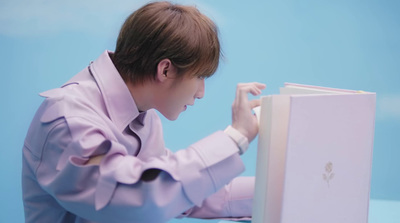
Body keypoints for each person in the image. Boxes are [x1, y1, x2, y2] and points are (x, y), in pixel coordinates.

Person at [21, 1, 266, 222]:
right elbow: (142, 199)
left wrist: (279, 192)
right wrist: (235, 139)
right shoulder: (67, 120)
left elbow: (182, 190)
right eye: (199, 76)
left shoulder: (143, 116)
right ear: (166, 70)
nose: (201, 92)